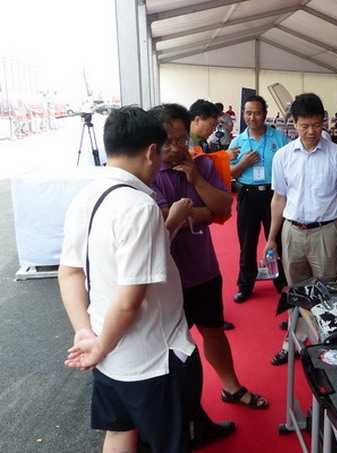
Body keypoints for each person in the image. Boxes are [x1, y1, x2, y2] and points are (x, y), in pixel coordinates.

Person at [58, 107, 199, 452]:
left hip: (106, 348)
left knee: (119, 432)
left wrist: (86, 333)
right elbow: (129, 300)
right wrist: (100, 347)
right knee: (169, 442)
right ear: (151, 151)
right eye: (161, 152)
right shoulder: (139, 206)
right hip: (150, 359)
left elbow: (70, 272)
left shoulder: (85, 197)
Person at [150, 103, 269, 410]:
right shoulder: (149, 173)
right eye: (168, 141)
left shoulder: (201, 164)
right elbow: (162, 218)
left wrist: (196, 182)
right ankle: (176, 409)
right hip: (165, 277)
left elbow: (222, 208)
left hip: (203, 269)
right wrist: (199, 213)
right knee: (170, 346)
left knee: (213, 331)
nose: (177, 147)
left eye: (181, 139)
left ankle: (231, 387)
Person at [266, 93, 337, 365]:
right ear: (294, 123)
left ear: (323, 122)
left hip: (325, 233)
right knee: (296, 291)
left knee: (327, 292)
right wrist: (272, 238)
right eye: (304, 126)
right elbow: (278, 198)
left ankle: (326, 346)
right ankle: (293, 343)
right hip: (292, 232)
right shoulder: (283, 156)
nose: (311, 132)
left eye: (317, 125)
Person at [229, 95, 289, 302]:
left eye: (257, 113)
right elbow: (228, 173)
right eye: (248, 113)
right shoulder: (237, 141)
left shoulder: (279, 138)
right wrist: (243, 164)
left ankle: (282, 284)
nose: (252, 117)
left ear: (265, 114)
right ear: (243, 114)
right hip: (247, 195)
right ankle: (245, 285)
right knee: (247, 243)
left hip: (274, 195)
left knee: (278, 240)